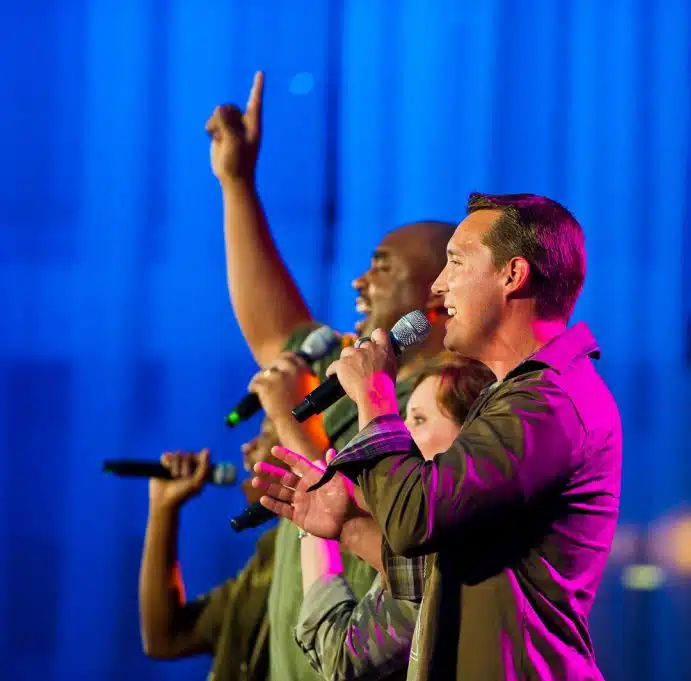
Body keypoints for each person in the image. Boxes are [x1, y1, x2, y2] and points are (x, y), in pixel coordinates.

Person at [254, 193, 623, 681]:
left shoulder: (551, 401)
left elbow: (414, 519)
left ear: (513, 275)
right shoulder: (521, 398)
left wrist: (377, 398)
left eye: (456, 263)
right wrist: (346, 525)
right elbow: (436, 576)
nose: (439, 285)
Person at [205, 70, 452, 681]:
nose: (358, 284)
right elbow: (274, 331)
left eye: (382, 268)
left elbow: (404, 527)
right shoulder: (353, 375)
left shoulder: (443, 408)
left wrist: (293, 423)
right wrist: (236, 182)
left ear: (438, 299)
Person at [287, 354, 495, 681]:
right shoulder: (419, 542)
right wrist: (341, 525)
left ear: (465, 444)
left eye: (418, 419)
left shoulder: (462, 544)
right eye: (402, 417)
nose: (401, 432)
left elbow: (343, 656)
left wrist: (323, 534)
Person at [138, 418, 283, 681]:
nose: (247, 447)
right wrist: (163, 508)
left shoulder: (333, 552)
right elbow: (165, 638)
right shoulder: (269, 556)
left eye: (266, 434)